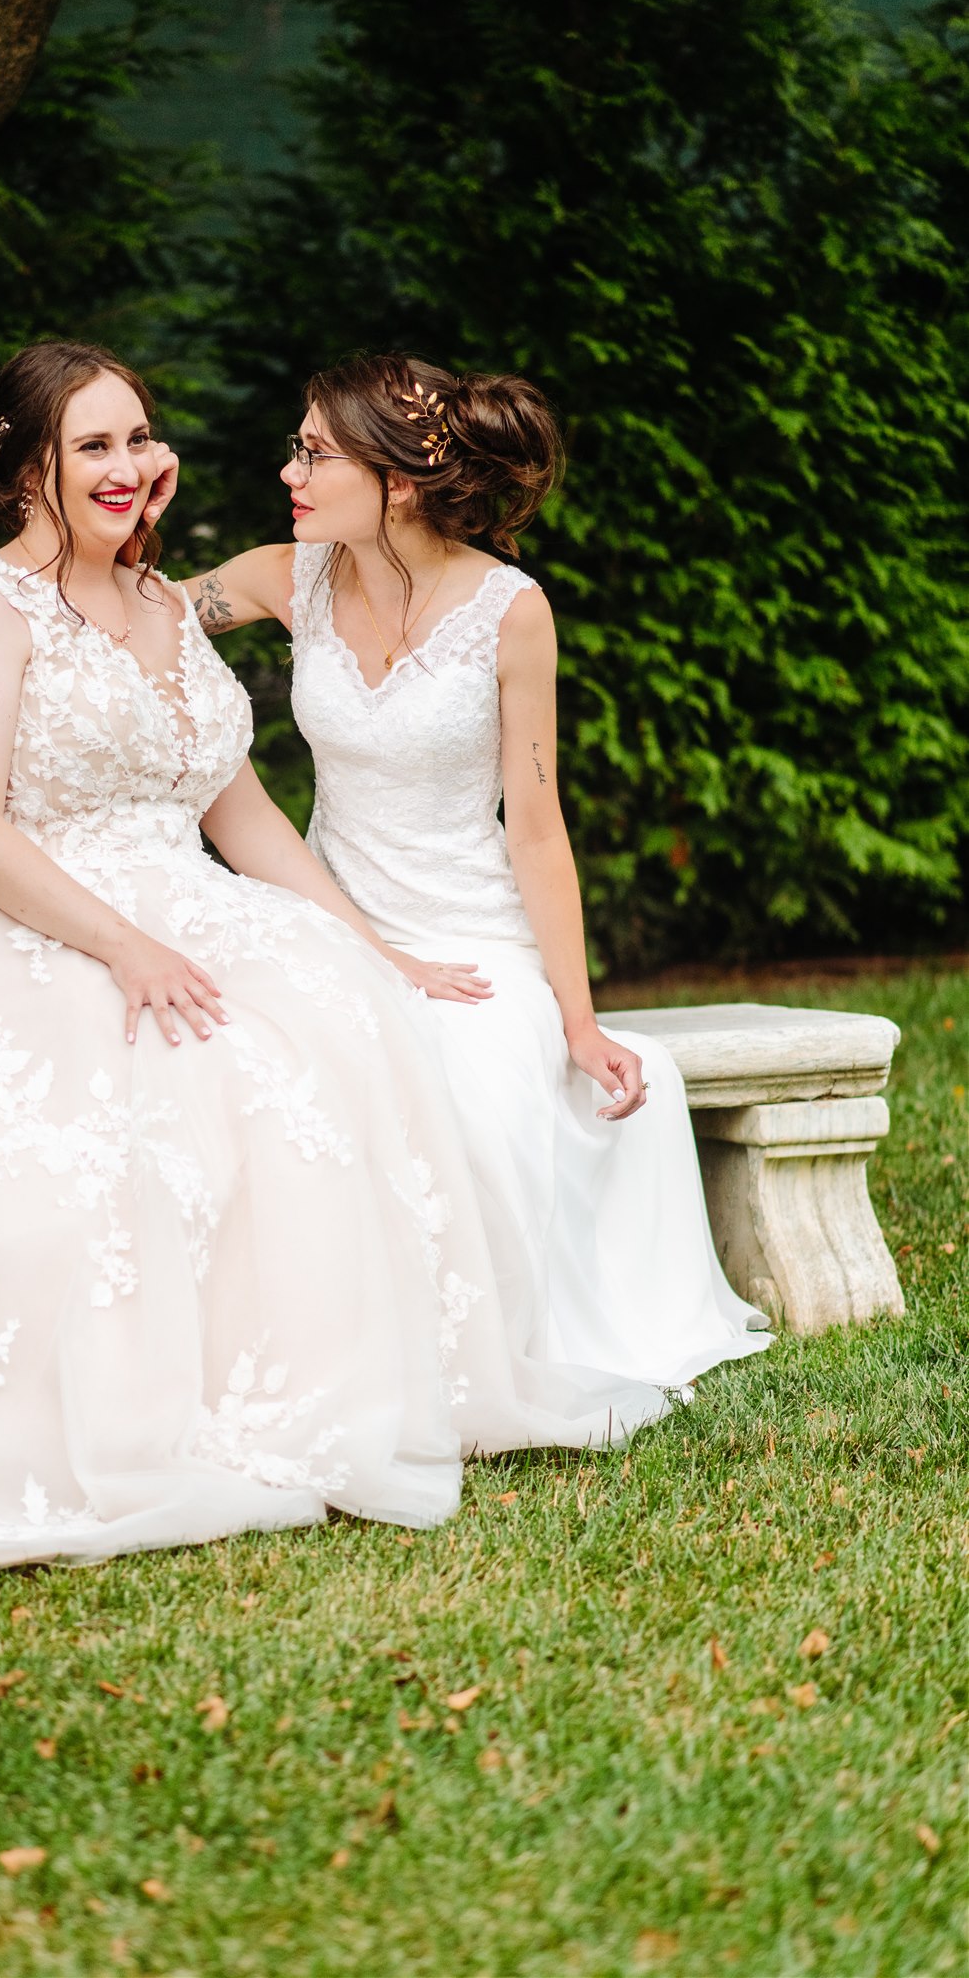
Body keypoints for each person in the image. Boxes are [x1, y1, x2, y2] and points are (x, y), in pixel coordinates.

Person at [0, 341, 675, 1578]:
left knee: (325, 1025)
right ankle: (115, 1399)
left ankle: (298, 1386)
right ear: (24, 469)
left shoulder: (168, 605)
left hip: (189, 909)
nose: (126, 465)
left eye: (137, 440)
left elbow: (249, 818)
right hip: (25, 917)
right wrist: (123, 946)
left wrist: (375, 949)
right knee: (159, 1078)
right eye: (91, 446)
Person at [181, 353, 771, 1388]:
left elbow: (536, 827)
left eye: (314, 452)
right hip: (328, 922)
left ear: (397, 481)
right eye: (296, 448)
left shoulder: (511, 609)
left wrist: (578, 1021)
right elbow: (147, 612)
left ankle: (438, 1363)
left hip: (472, 942)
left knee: (467, 1088)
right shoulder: (286, 578)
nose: (290, 472)